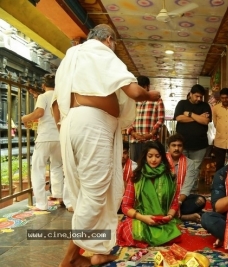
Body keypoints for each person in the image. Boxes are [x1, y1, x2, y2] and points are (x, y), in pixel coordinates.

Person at [52, 24, 160, 267]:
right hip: (92, 125)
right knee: (96, 192)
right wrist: (149, 96)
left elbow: (57, 103)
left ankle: (97, 251)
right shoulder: (100, 52)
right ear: (109, 39)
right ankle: (69, 259)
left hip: (72, 123)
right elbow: (133, 91)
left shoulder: (72, 56)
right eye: (115, 44)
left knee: (91, 191)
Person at [117, 141, 181, 247]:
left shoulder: (170, 176)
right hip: (142, 219)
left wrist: (169, 216)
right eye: (150, 156)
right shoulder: (136, 176)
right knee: (129, 233)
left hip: (163, 221)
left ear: (162, 157)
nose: (154, 160)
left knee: (175, 235)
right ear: (145, 157)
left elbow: (174, 202)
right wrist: (143, 218)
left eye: (157, 156)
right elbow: (125, 206)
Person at [21, 74, 64, 211]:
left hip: (45, 136)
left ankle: (41, 204)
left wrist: (25, 118)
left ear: (43, 85)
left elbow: (40, 112)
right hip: (59, 136)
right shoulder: (60, 96)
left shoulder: (42, 97)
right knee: (57, 166)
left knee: (38, 169)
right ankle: (59, 195)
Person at [173, 84, 212, 190]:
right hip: (182, 144)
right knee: (182, 167)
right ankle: (179, 190)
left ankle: (191, 191)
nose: (199, 99)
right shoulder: (182, 104)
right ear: (190, 94)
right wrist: (199, 117)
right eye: (196, 96)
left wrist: (190, 114)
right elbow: (179, 118)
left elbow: (205, 121)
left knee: (194, 169)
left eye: (201, 97)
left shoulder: (205, 106)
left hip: (200, 145)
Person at [166, 134, 206, 223]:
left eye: (179, 146)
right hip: (163, 197)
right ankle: (183, 216)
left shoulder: (190, 163)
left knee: (200, 200)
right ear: (168, 147)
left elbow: (187, 187)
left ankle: (174, 214)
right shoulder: (162, 161)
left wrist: (178, 203)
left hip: (181, 198)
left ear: (183, 148)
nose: (176, 148)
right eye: (173, 145)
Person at [126, 76, 165, 162]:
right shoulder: (132, 101)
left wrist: (151, 134)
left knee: (150, 167)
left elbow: (161, 120)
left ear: (147, 87)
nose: (140, 91)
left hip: (151, 141)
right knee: (135, 167)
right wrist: (133, 133)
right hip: (134, 141)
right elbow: (128, 119)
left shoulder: (157, 100)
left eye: (142, 87)